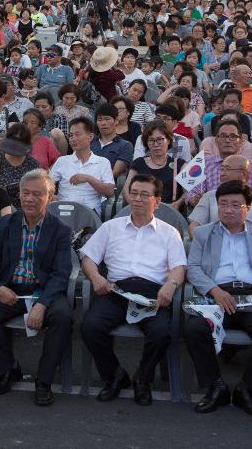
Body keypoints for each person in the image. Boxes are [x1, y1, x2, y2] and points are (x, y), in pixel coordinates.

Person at [185, 180, 252, 419]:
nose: (228, 209)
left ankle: (248, 389)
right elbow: (194, 269)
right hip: (218, 295)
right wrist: (215, 291)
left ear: (248, 207)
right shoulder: (203, 233)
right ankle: (215, 386)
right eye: (223, 204)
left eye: (235, 204)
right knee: (194, 329)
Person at [80, 172, 187, 406]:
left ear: (157, 202)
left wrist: (171, 285)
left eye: (144, 195)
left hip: (152, 293)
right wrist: (96, 276)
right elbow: (87, 257)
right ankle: (115, 375)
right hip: (116, 291)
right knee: (90, 326)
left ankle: (143, 379)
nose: (137, 199)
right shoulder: (111, 227)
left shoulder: (169, 233)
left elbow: (179, 267)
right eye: (134, 193)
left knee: (161, 332)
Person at [0, 168, 73, 406]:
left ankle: (44, 380)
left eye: (37, 194)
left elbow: (61, 274)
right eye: (25, 193)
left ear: (49, 197)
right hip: (11, 289)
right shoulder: (6, 224)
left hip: (43, 290)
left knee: (63, 317)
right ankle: (7, 370)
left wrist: (42, 304)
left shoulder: (60, 230)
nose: (29, 199)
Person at [189, 154, 252, 238]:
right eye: (222, 169)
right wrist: (205, 247)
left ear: (244, 174)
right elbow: (194, 226)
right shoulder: (208, 197)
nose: (222, 173)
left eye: (227, 169)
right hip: (216, 251)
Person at [50, 116, 115, 212]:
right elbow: (46, 185)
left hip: (89, 212)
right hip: (64, 209)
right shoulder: (62, 161)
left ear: (90, 137)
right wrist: (52, 196)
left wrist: (88, 179)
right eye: (71, 135)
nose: (73, 139)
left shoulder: (102, 162)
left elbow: (109, 191)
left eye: (77, 134)